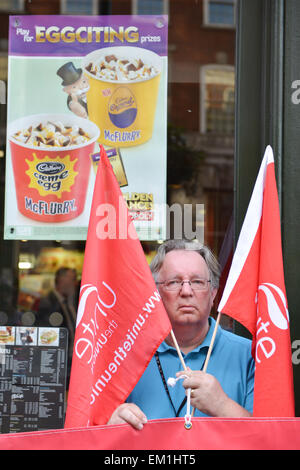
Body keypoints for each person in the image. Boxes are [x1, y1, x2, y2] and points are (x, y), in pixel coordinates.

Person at [108, 239, 255, 429]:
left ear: (213, 294)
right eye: (174, 282)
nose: (186, 291)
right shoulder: (123, 357)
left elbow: (270, 442)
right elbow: (89, 431)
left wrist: (223, 406)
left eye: (197, 282)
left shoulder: (250, 355)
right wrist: (108, 427)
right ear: (156, 294)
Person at [37, 267, 78, 385]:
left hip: (72, 361)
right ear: (62, 280)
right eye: (72, 279)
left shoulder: (69, 302)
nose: (74, 283)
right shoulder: (48, 302)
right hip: (58, 361)